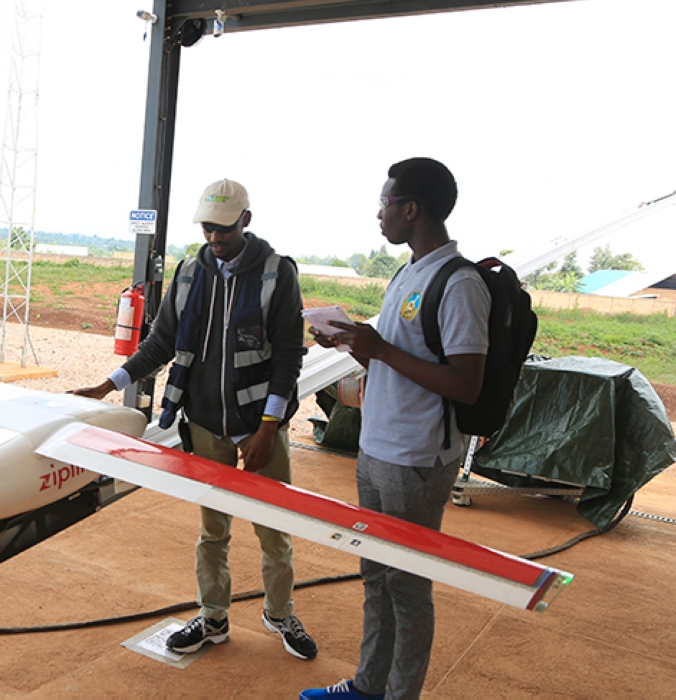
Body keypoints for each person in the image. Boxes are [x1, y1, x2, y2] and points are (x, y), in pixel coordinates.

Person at [71, 179, 317, 661]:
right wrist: (109, 384)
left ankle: (280, 612)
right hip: (204, 423)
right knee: (213, 530)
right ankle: (213, 616)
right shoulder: (189, 274)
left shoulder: (275, 274)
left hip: (259, 427)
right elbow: (161, 343)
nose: (215, 238)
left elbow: (289, 355)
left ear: (246, 221)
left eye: (223, 228)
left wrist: (268, 427)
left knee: (273, 527)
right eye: (207, 227)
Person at [300, 158, 490, 700]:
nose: (379, 214)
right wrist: (355, 342)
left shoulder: (459, 284)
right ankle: (366, 686)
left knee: (407, 588)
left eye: (384, 203)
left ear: (412, 209)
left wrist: (380, 349)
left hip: (417, 459)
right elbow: (399, 356)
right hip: (378, 448)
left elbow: (466, 384)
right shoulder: (410, 273)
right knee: (377, 577)